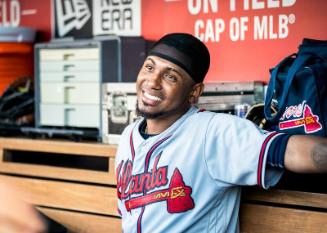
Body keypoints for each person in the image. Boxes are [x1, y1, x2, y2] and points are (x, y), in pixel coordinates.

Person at [115, 33, 327, 233]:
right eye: (149, 67)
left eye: (170, 76)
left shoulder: (215, 132)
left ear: (194, 92)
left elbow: (295, 152)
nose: (152, 82)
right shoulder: (128, 136)